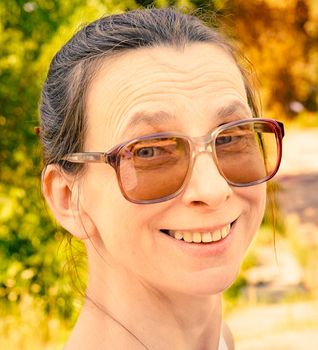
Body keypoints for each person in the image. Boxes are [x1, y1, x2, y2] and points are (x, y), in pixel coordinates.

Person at [38, 7, 284, 350]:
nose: (213, 189)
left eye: (230, 137)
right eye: (149, 151)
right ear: (67, 199)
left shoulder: (221, 340)